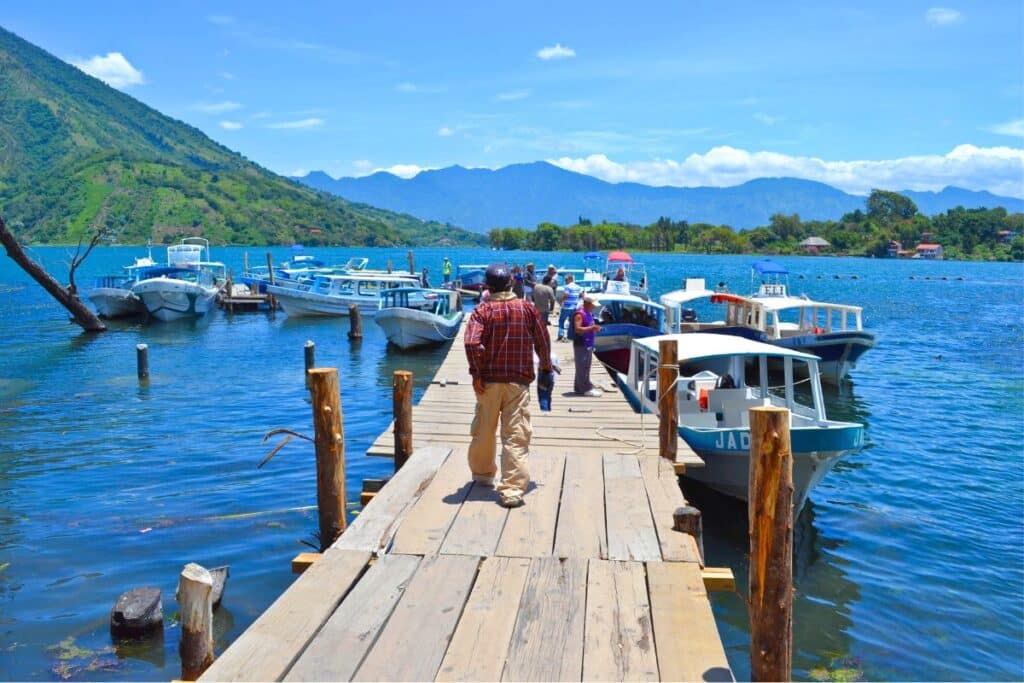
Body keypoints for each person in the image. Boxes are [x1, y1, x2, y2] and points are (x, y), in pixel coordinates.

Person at [464, 263, 553, 508]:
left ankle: (483, 474)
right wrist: (546, 366)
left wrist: (476, 373)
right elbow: (543, 341)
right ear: (511, 283)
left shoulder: (482, 311)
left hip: (488, 382)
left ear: (487, 286)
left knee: (484, 429)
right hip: (518, 382)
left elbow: (471, 343)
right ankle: (512, 489)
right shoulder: (527, 309)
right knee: (515, 435)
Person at [573, 295, 602, 396]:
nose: (594, 307)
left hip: (588, 343)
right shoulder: (579, 314)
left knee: (584, 366)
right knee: (583, 367)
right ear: (587, 303)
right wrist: (591, 328)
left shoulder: (589, 312)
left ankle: (579, 387)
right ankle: (585, 389)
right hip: (581, 343)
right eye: (592, 305)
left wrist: (593, 328)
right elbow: (577, 329)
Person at [557, 273, 583, 341]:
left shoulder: (567, 287)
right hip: (574, 307)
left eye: (566, 279)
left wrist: (561, 301)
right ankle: (571, 336)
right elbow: (581, 295)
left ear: (570, 279)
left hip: (567, 307)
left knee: (561, 320)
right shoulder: (578, 287)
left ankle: (561, 334)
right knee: (572, 322)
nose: (565, 281)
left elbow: (566, 295)